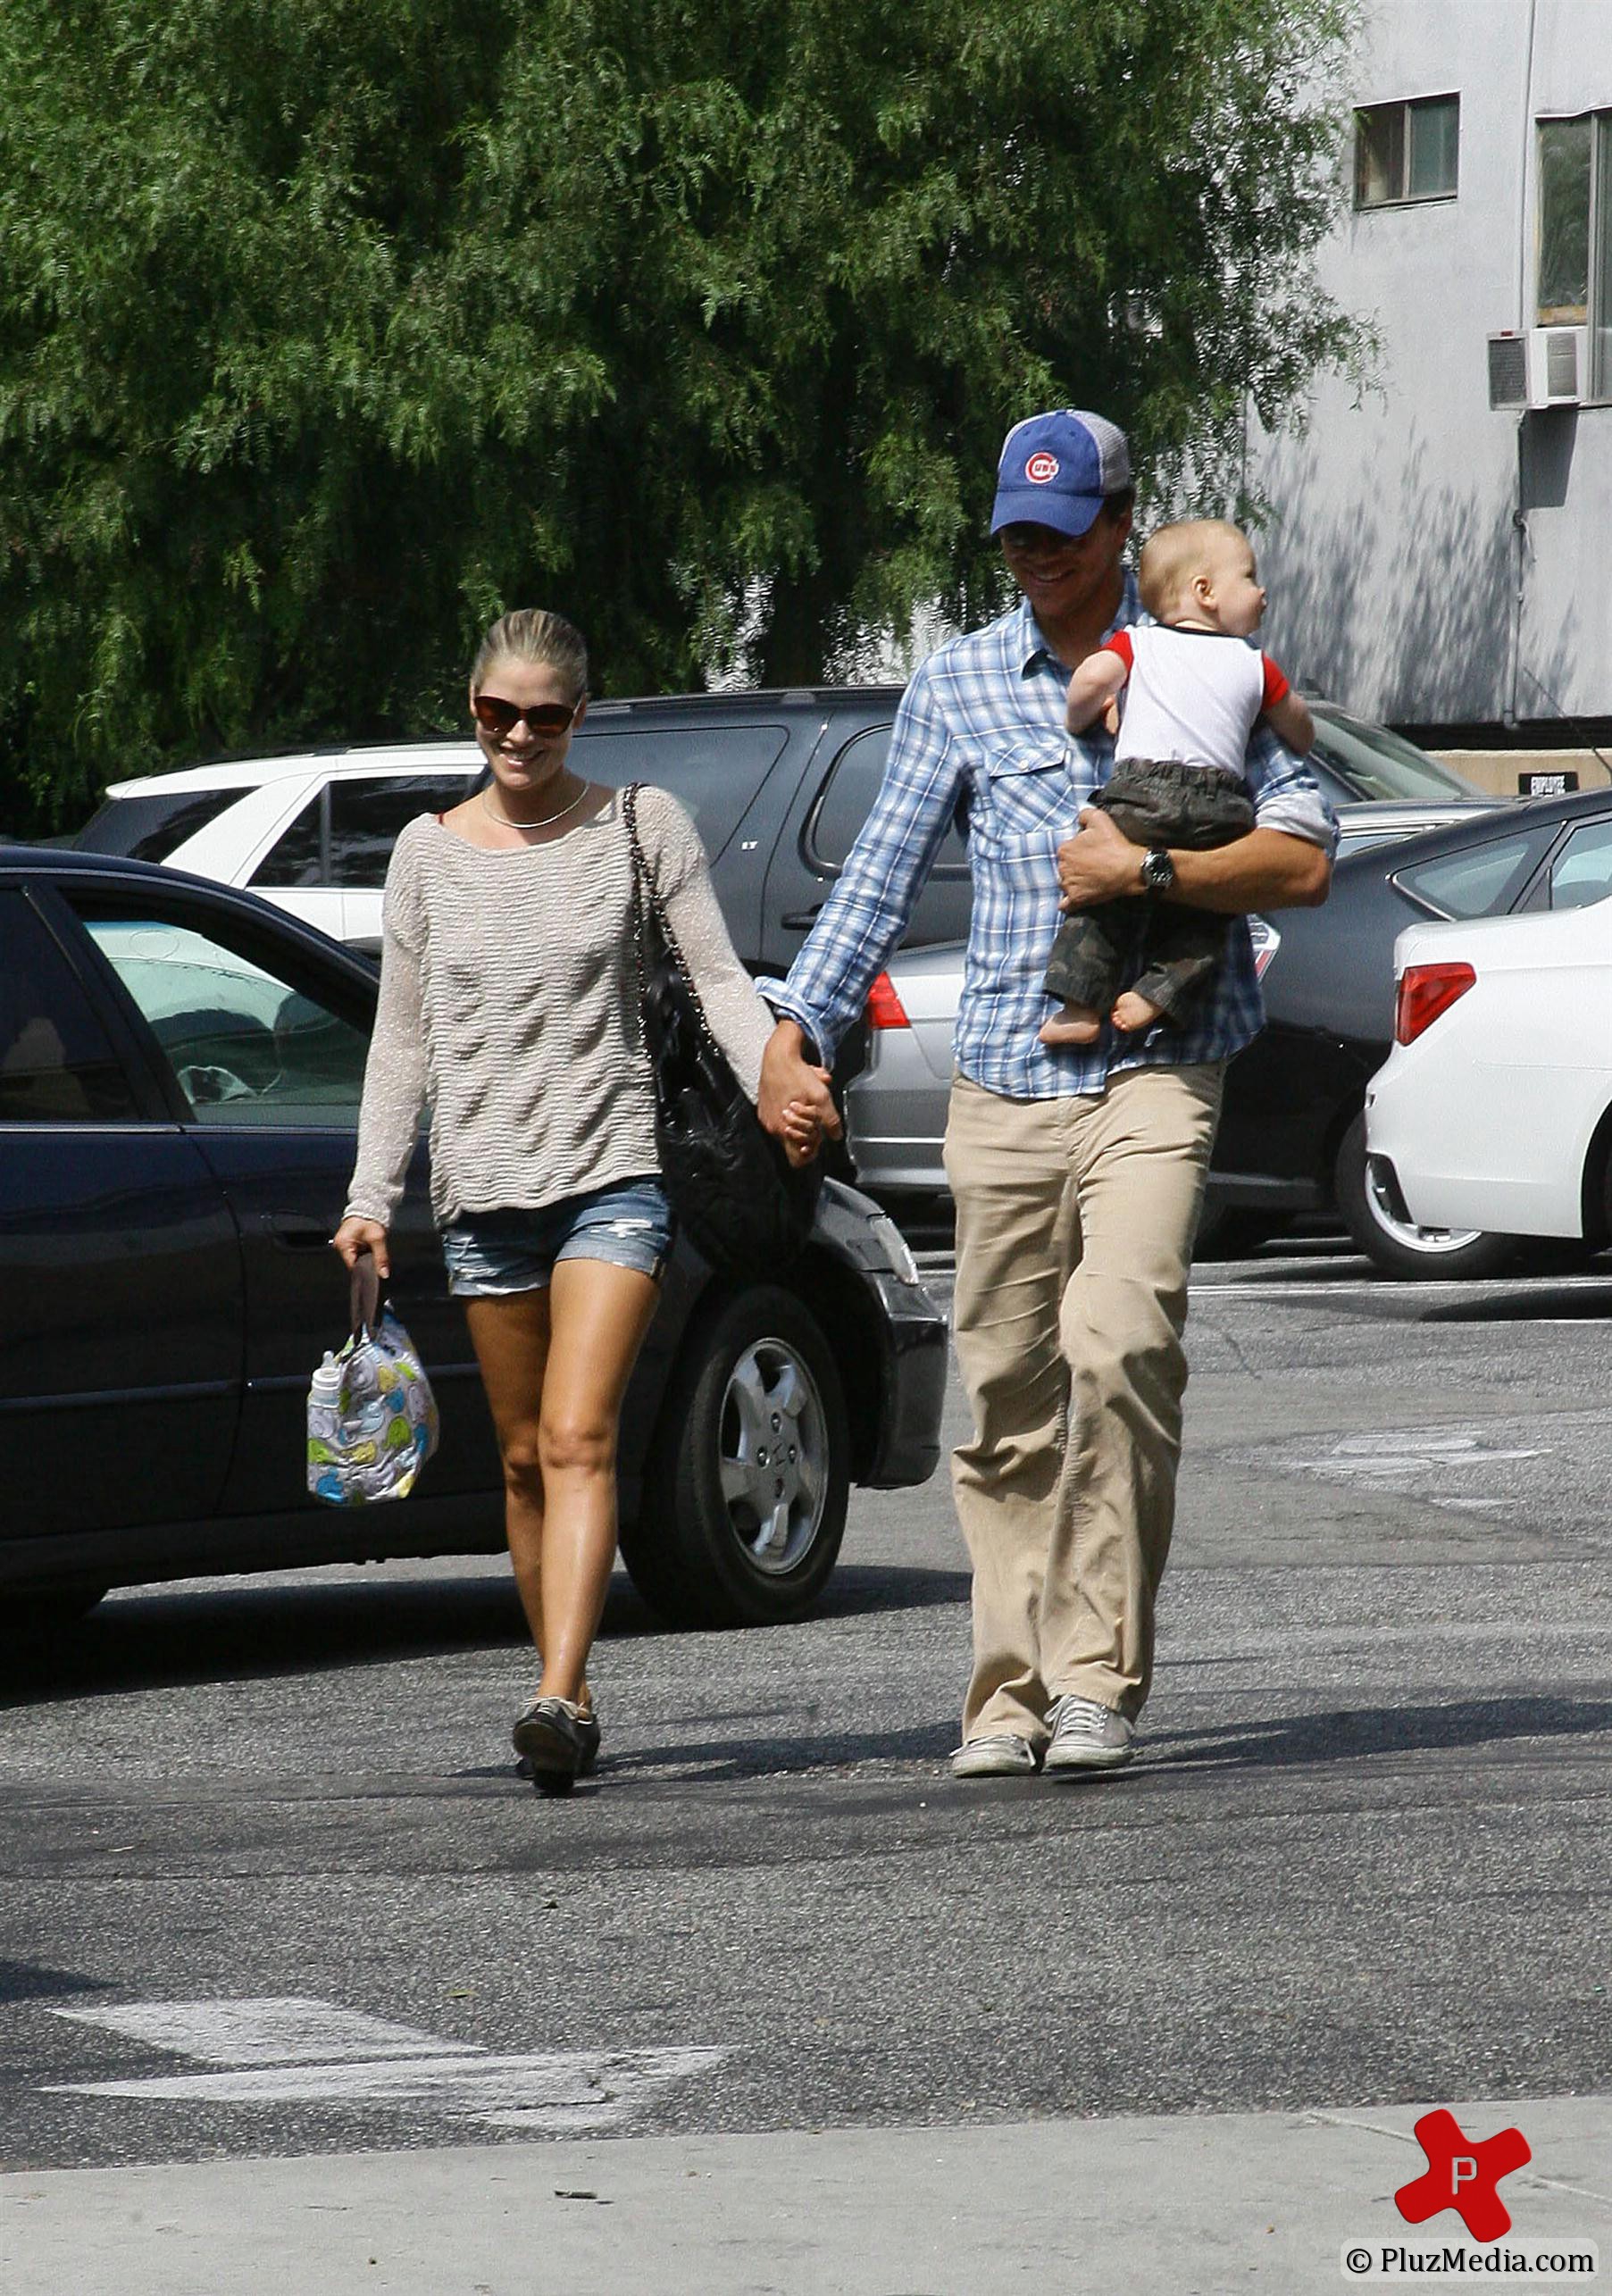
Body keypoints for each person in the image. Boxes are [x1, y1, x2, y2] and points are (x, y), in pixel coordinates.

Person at [757, 410, 1336, 1779]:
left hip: (1156, 1064)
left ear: (1119, 526)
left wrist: (1147, 878)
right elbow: (882, 869)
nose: (1033, 554)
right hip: (1006, 1081)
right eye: (1014, 531)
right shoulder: (958, 682)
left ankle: (1092, 1681)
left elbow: (1305, 859)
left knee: (1122, 1348)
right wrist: (800, 1027)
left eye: (1059, 531)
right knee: (1008, 1394)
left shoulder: (1223, 668)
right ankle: (1005, 1690)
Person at [332, 608, 824, 1791]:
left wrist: (773, 1067)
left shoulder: (638, 826)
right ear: (473, 710)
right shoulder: (427, 853)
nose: (519, 734)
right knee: (516, 1458)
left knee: (576, 1434)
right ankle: (577, 1687)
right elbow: (401, 1041)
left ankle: (553, 1688)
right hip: (483, 1187)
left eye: (544, 715)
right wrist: (366, 1199)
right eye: (497, 712)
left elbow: (714, 975)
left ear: (578, 716)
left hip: (612, 1174)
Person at [1040, 517, 1315, 1047]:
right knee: (1208, 910)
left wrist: (1079, 716)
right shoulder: (1256, 663)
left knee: (1101, 900)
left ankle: (1079, 1005)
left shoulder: (1137, 644)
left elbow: (1092, 680)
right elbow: (1299, 729)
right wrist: (1285, 722)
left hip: (1141, 791)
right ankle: (1160, 991)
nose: (1262, 593)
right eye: (1250, 577)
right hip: (1221, 804)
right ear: (1205, 592)